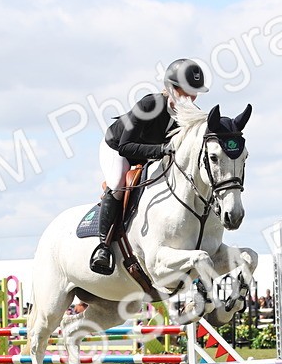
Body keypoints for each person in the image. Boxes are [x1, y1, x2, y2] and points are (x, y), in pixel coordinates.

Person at [89, 58, 209, 275]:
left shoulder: (190, 114)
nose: (192, 97)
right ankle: (103, 248)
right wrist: (162, 150)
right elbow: (126, 146)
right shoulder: (150, 105)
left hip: (151, 154)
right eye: (187, 91)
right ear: (172, 88)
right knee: (118, 184)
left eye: (195, 92)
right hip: (118, 148)